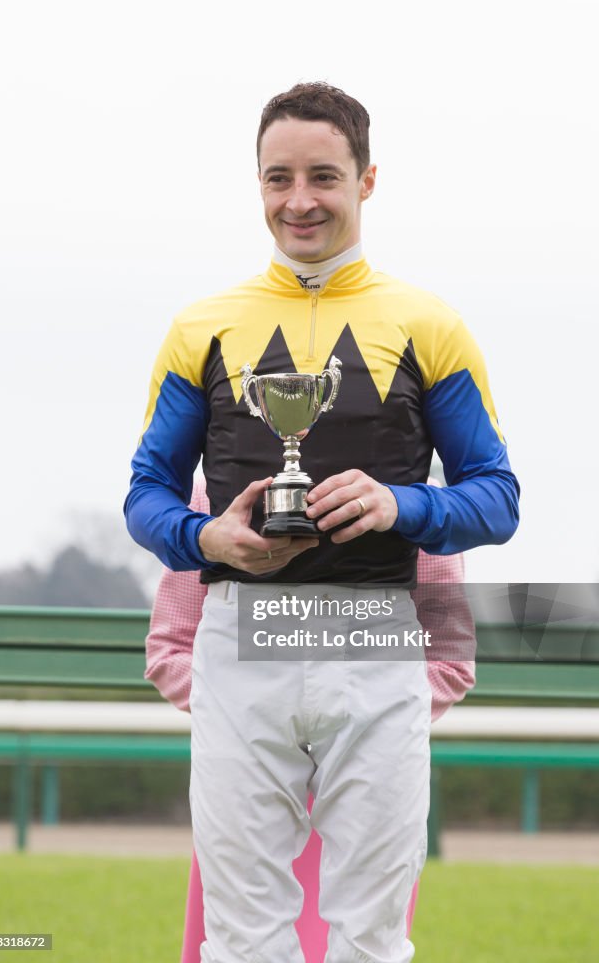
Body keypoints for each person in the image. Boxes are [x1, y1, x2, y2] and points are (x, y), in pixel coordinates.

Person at [125, 82, 519, 963]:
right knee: (241, 934)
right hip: (239, 638)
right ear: (257, 185)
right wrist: (204, 541)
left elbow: (495, 496)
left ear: (366, 181)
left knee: (370, 937)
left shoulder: (429, 324)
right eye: (277, 179)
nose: (298, 200)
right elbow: (146, 494)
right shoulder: (201, 327)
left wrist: (400, 505)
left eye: (322, 177)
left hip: (373, 640)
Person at [146, 480, 476, 963]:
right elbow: (170, 648)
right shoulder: (211, 498)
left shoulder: (409, 503)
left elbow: (448, 658)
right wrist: (249, 718)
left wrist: (358, 721)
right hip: (250, 787)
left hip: (365, 784)